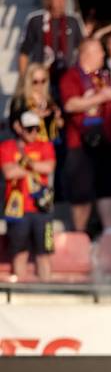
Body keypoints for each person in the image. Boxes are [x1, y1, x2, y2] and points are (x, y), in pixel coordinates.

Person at [59, 38, 111, 234]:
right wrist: (101, 97)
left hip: (105, 141)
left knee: (107, 188)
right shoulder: (72, 76)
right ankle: (79, 235)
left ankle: (109, 232)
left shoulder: (102, 76)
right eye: (100, 51)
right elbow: (70, 104)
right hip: (80, 144)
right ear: (87, 54)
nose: (103, 55)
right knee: (81, 194)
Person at [0, 112, 56, 281]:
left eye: (37, 129)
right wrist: (35, 167)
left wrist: (25, 165)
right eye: (30, 129)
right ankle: (19, 292)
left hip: (42, 208)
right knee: (19, 253)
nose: (34, 133)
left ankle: (46, 294)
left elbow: (49, 168)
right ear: (19, 128)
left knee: (44, 253)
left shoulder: (45, 146)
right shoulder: (7, 147)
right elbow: (9, 172)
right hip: (17, 209)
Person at [18, 0, 85, 91]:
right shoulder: (36, 20)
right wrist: (24, 81)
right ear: (48, 1)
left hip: (66, 77)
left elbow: (83, 49)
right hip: (42, 79)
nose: (61, 3)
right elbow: (24, 53)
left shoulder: (73, 21)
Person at [8, 63, 64, 142]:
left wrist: (57, 119)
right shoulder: (20, 100)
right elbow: (13, 124)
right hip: (30, 147)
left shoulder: (51, 98)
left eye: (43, 81)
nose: (40, 85)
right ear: (29, 81)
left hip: (51, 146)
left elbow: (62, 123)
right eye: (35, 81)